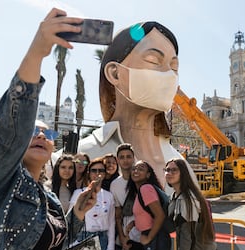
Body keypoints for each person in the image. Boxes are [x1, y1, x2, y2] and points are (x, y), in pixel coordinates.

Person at [0, 8, 97, 250]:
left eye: (48, 134)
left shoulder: (49, 197)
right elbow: (11, 134)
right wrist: (38, 52)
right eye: (34, 131)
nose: (42, 136)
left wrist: (77, 214)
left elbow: (50, 246)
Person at [74, 21, 198, 188]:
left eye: (174, 67)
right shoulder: (81, 154)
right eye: (154, 60)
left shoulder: (181, 164)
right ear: (115, 73)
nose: (169, 74)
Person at [165, 158, 217, 250]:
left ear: (183, 173)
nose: (169, 173)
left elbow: (188, 237)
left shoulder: (187, 199)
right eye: (167, 170)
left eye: (174, 170)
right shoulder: (175, 195)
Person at [69, 157, 116, 250]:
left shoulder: (109, 195)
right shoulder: (79, 193)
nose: (97, 173)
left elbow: (112, 223)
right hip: (83, 238)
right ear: (89, 173)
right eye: (94, 170)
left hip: (102, 239)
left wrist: (111, 249)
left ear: (105, 173)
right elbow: (71, 220)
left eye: (101, 170)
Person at [127, 160, 171, 250]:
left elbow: (160, 215)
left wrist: (149, 237)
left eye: (141, 169)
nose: (136, 171)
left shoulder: (146, 188)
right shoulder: (142, 190)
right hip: (154, 237)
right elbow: (148, 214)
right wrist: (135, 223)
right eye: (134, 169)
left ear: (148, 175)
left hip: (155, 237)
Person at [110, 143, 143, 250]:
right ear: (117, 160)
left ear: (133, 158)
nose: (125, 160)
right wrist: (122, 237)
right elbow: (118, 215)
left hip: (146, 233)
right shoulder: (114, 184)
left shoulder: (142, 179)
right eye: (122, 157)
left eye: (128, 156)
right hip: (128, 237)